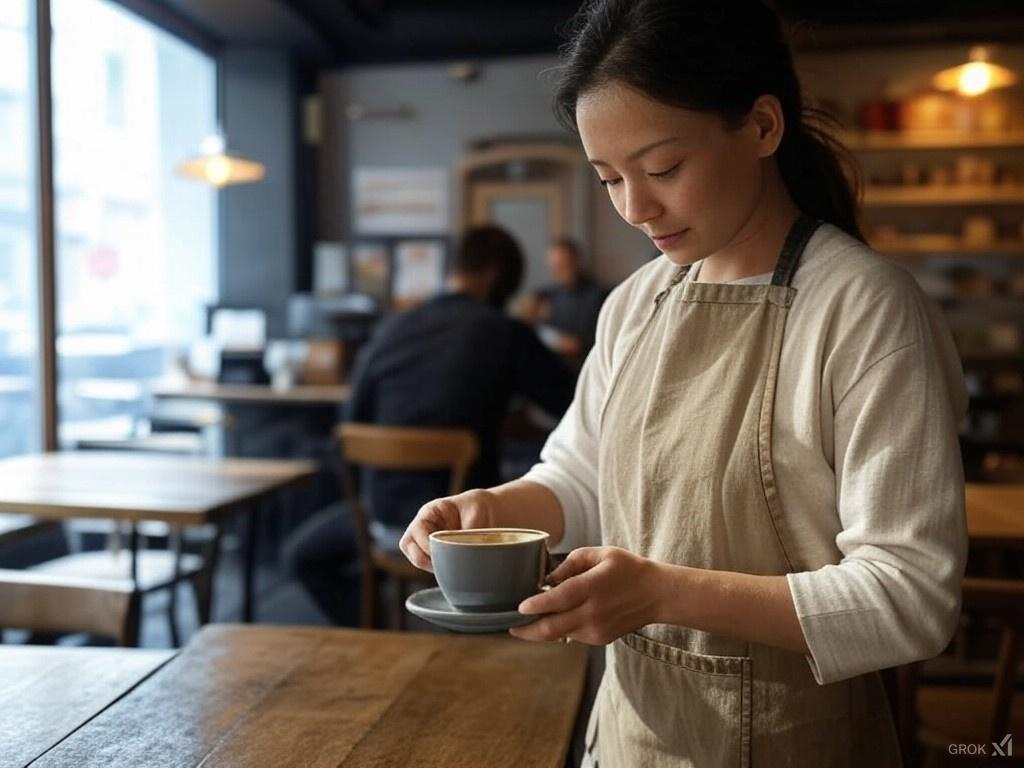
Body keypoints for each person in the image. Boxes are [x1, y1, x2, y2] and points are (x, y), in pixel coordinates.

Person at [398, 2, 968, 766]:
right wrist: (494, 510)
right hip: (629, 737)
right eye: (609, 179)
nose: (637, 208)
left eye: (663, 168)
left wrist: (664, 594)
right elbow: (581, 476)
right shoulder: (636, 303)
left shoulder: (863, 308)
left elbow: (910, 598)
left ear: (763, 127)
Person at [282, 225, 574, 625]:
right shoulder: (504, 332)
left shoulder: (392, 328)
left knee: (300, 557)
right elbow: (575, 407)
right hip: (469, 533)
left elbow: (350, 423)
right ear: (496, 276)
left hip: (381, 520)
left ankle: (378, 632)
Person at [525, 238, 608, 369]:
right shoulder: (543, 297)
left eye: (565, 263)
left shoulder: (599, 295)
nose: (559, 269)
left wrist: (579, 344)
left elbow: (606, 335)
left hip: (587, 366)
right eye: (555, 264)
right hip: (552, 369)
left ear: (576, 261)